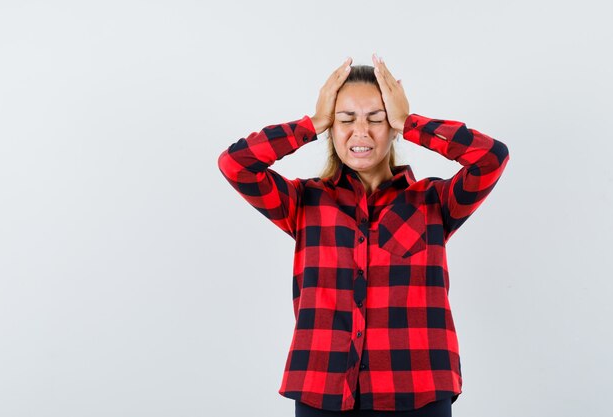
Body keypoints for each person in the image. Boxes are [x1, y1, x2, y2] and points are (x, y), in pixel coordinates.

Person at [217, 53, 510, 417]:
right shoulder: (304, 202)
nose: (361, 132)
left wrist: (411, 121)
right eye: (345, 119)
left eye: (376, 119)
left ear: (393, 128)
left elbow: (491, 158)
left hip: (418, 390)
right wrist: (312, 122)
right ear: (331, 127)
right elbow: (236, 164)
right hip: (321, 390)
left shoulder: (434, 202)